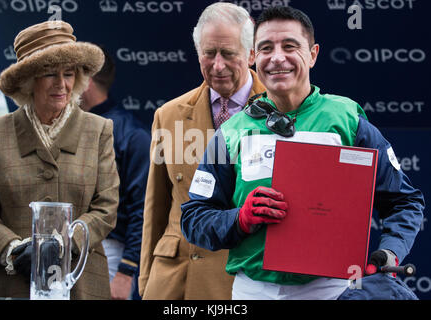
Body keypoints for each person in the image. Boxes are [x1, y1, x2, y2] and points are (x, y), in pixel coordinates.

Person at [180, 6, 425, 300]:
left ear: (313, 54)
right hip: (253, 290)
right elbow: (194, 218)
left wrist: (390, 251)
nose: (277, 57)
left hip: (333, 290)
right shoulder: (230, 132)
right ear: (254, 58)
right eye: (266, 48)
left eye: (290, 46)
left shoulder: (347, 120)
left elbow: (405, 200)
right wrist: (239, 219)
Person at [0, 20, 119, 300]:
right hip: (11, 284)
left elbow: (107, 207)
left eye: (69, 74)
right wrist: (13, 250)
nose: (62, 84)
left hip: (80, 283)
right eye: (49, 74)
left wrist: (61, 245)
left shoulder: (98, 130)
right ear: (29, 81)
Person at [139, 2, 265, 300]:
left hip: (241, 279)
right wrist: (146, 280)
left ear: (251, 55)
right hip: (174, 280)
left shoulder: (283, 113)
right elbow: (156, 205)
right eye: (209, 54)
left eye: (228, 54)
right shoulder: (168, 115)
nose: (217, 65)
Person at [80, 47, 150, 300]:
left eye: (69, 75)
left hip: (110, 253)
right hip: (69, 249)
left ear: (85, 81)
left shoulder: (132, 135)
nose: (62, 84)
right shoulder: (67, 127)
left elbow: (143, 210)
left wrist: (126, 271)